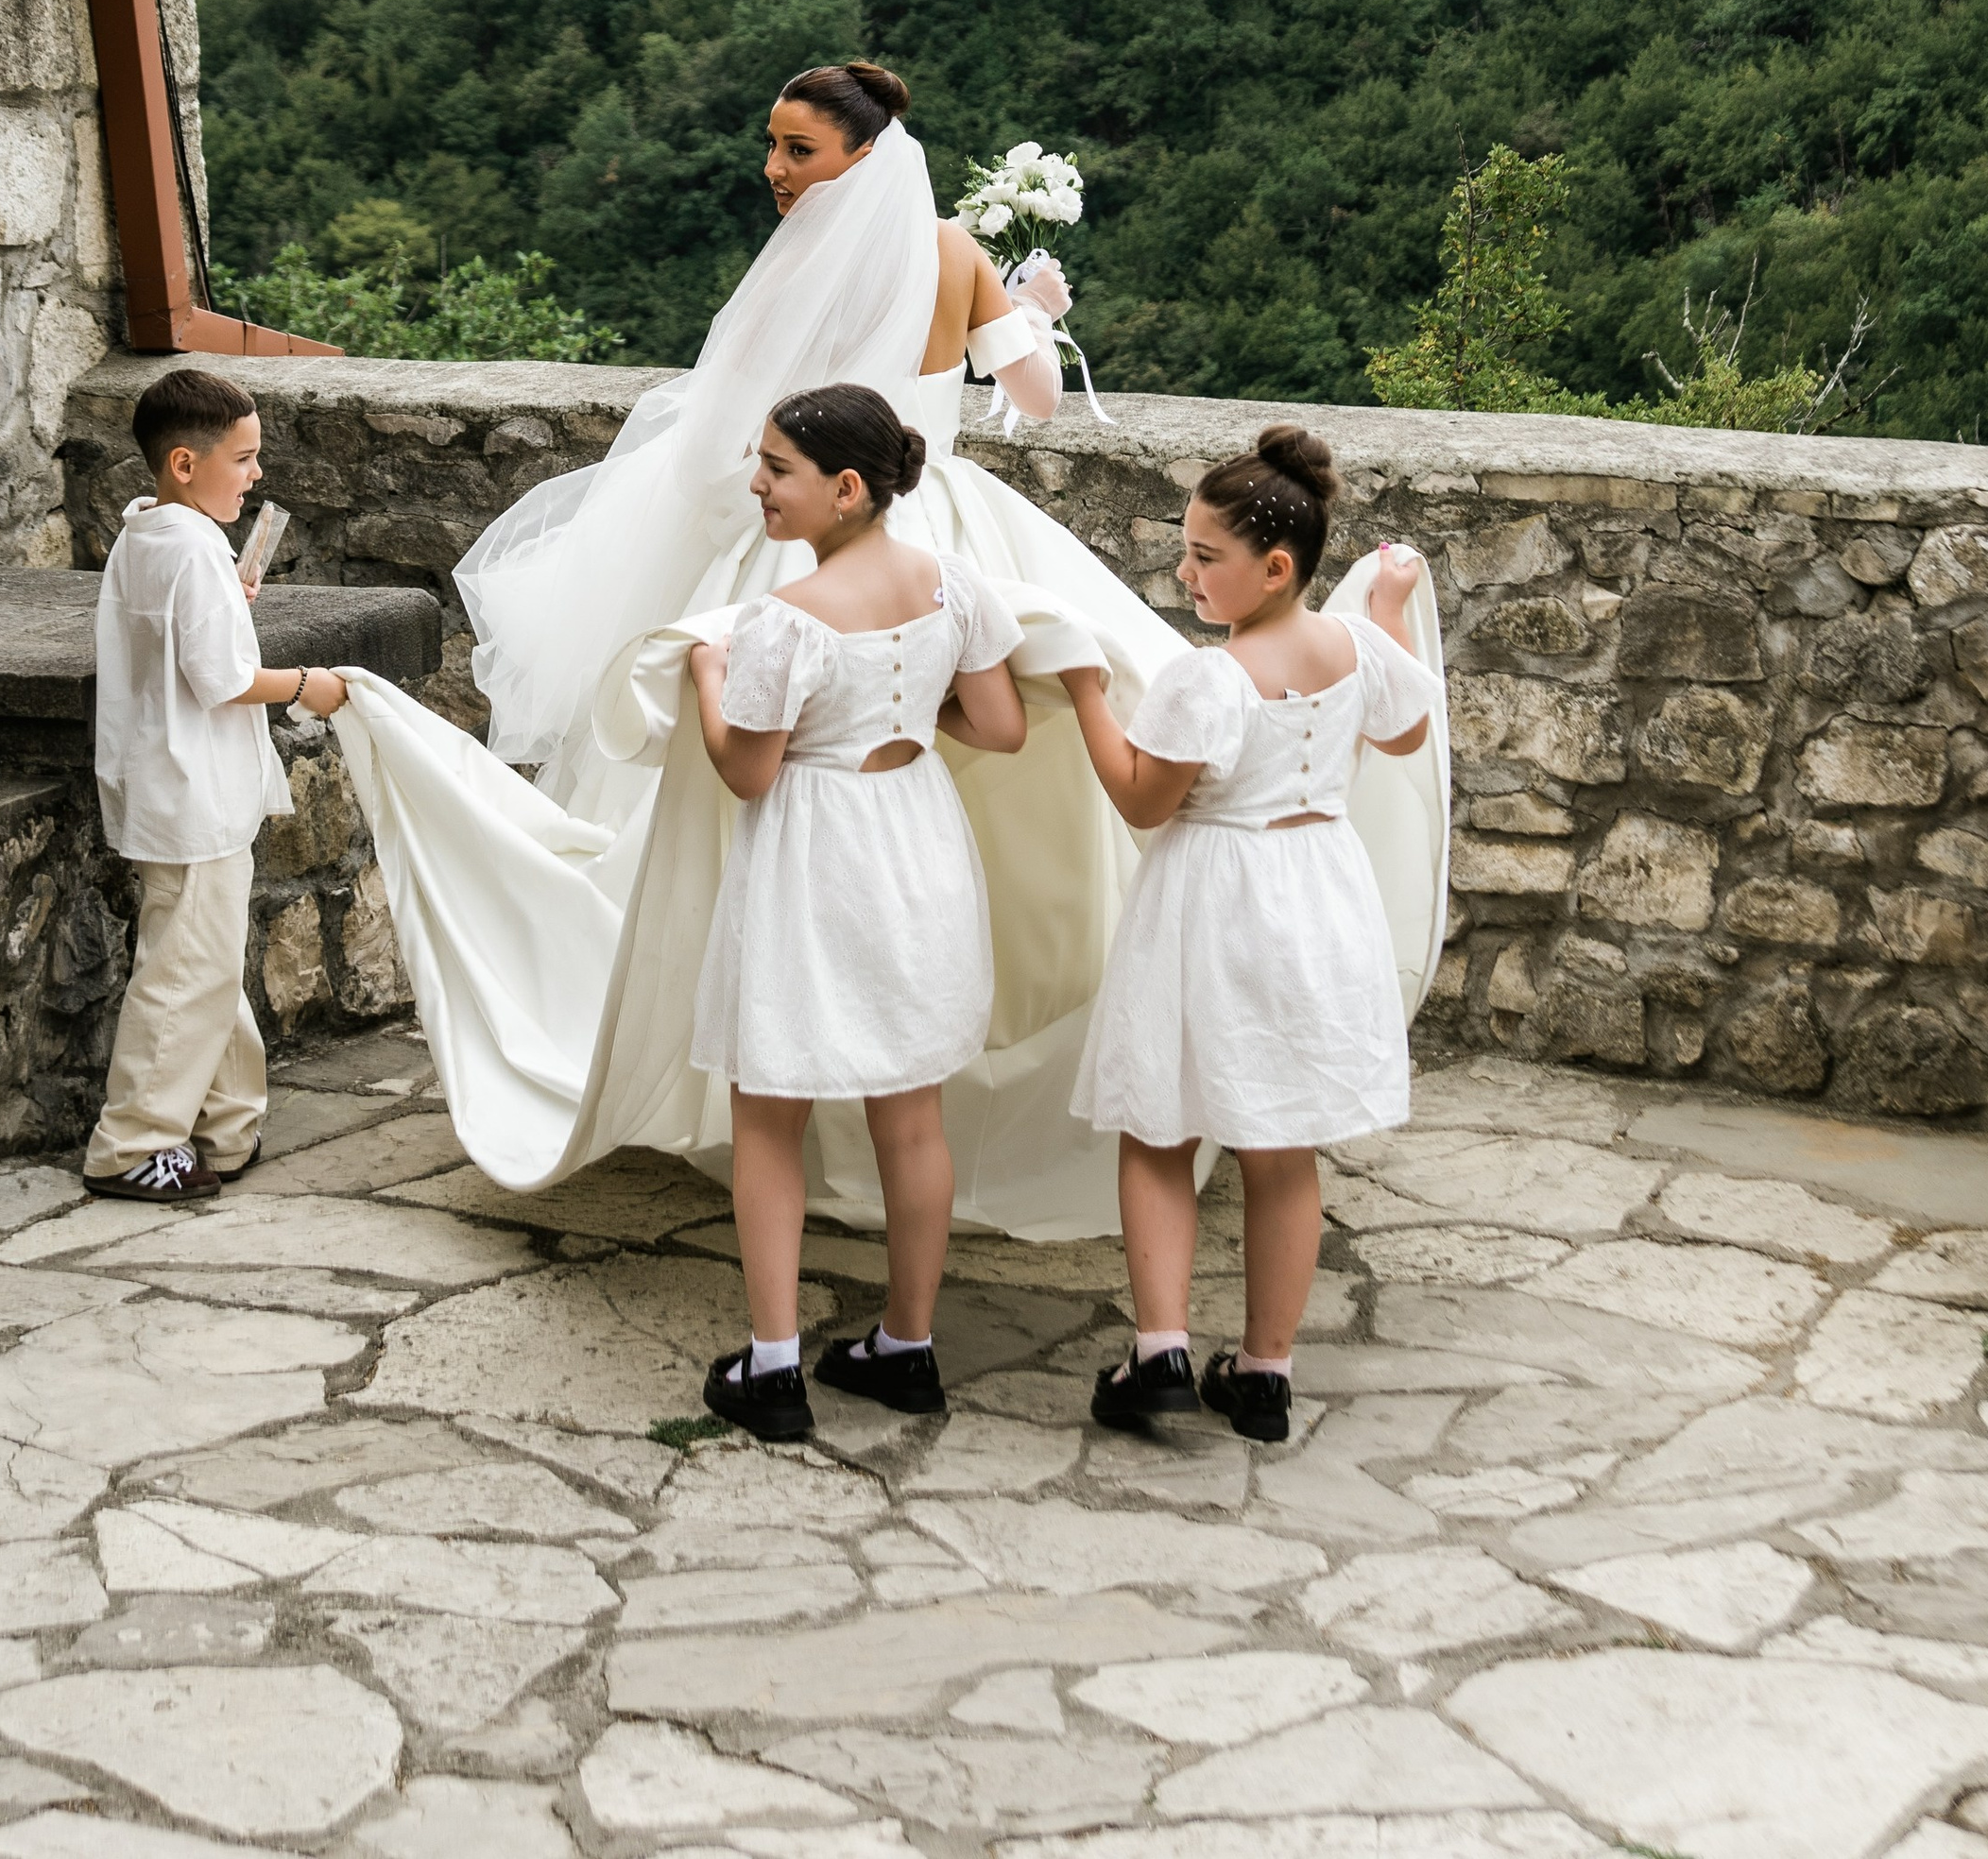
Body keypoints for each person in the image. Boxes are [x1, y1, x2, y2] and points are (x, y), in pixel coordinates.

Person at [328, 62, 1447, 1245]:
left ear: (859, 158)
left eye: (797, 151)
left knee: (744, 814)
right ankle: (957, 1083)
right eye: (773, 146)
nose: (774, 169)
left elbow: (726, 448)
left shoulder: (796, 274)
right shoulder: (957, 252)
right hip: (953, 532)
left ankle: (773, 1076)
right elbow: (1033, 399)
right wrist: (1033, 312)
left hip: (824, 545)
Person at [1058, 426, 1435, 1438]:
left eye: (1203, 557)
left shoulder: (1205, 678)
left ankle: (1161, 1353)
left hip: (1212, 904)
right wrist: (1384, 610)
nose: (1183, 573)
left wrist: (1086, 694)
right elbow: (1404, 732)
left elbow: (1143, 800)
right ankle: (1263, 1372)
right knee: (1282, 1147)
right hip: (1317, 897)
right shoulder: (1353, 649)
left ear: (1274, 568)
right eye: (1184, 550)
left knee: (1160, 1129)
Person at [685, 383, 1027, 1441]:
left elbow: (746, 773)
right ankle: (907, 1347)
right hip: (915, 842)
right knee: (910, 1112)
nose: (757, 484)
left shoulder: (780, 623)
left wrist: (708, 672)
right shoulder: (953, 588)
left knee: (768, 1109)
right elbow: (1003, 724)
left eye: (776, 468)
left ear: (844, 488)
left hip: (813, 855)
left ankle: (776, 1365)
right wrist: (909, 711)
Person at [82, 366, 347, 1204]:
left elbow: (183, 638)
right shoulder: (193, 552)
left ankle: (228, 1125)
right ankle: (133, 1142)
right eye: (245, 456)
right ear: (186, 465)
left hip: (170, 785)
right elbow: (224, 678)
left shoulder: (151, 534)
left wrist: (229, 597)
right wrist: (309, 682)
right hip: (190, 793)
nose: (257, 472)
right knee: (183, 974)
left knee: (204, 962)